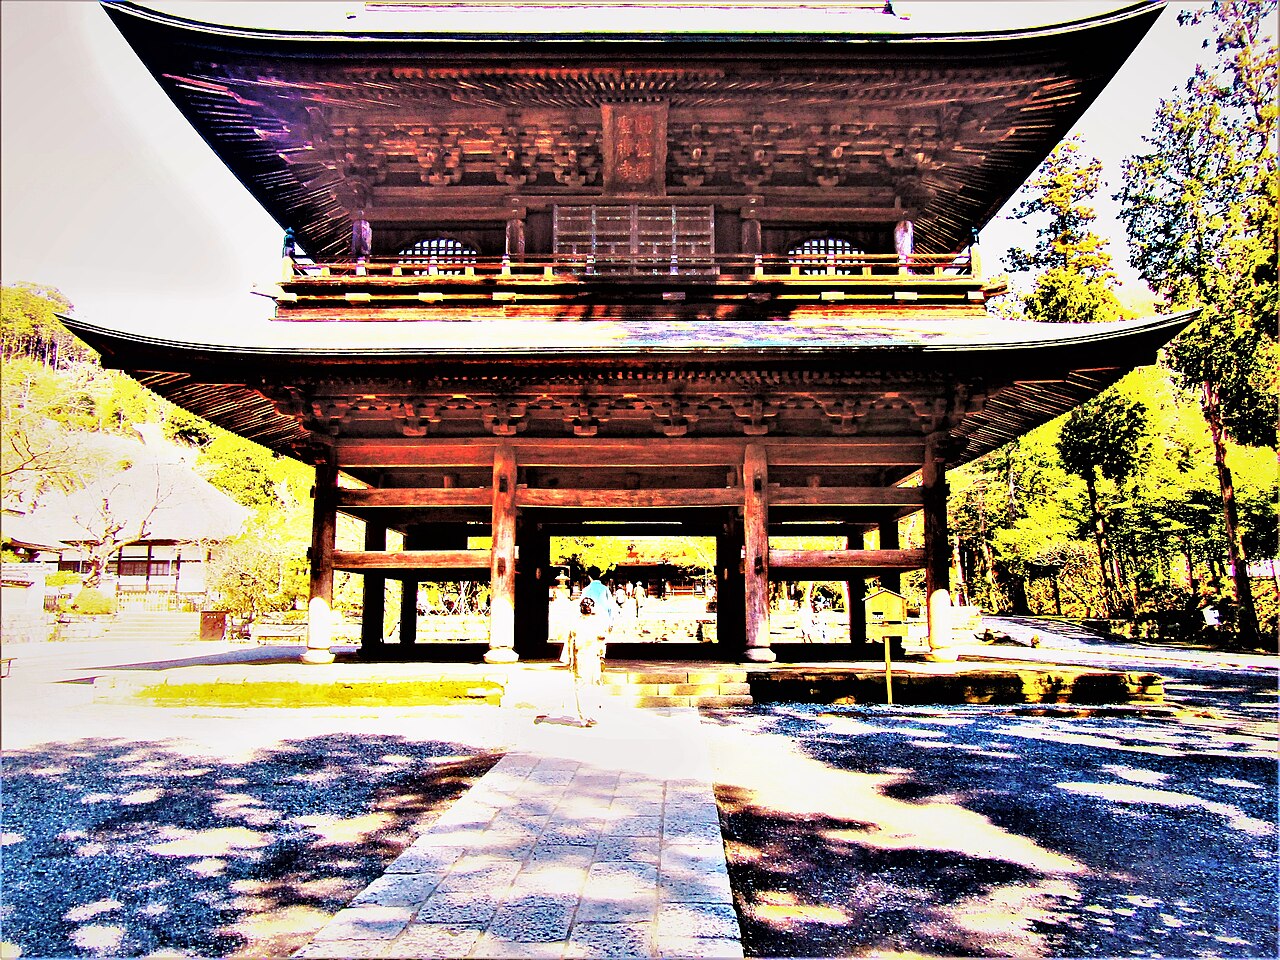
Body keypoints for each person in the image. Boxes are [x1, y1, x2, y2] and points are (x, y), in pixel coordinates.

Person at [560, 568, 614, 725]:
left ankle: (584, 716)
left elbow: (570, 641)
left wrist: (568, 659)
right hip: (593, 653)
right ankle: (591, 714)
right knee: (594, 682)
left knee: (581, 684)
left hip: (581, 654)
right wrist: (609, 623)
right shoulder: (604, 590)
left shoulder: (585, 592)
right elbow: (610, 608)